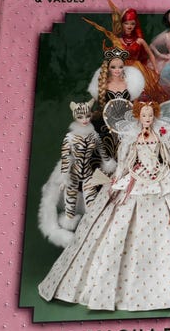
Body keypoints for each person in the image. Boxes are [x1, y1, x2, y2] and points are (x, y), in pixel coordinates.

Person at [38, 100, 170, 311]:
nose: (147, 119)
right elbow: (124, 161)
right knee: (118, 225)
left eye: (150, 115)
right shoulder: (131, 138)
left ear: (154, 116)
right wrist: (117, 178)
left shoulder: (163, 136)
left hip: (161, 178)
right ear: (138, 116)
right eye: (144, 115)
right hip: (136, 179)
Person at [37, 99, 116, 249]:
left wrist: (108, 164)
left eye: (87, 116)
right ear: (75, 117)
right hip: (73, 175)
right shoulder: (70, 138)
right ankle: (71, 234)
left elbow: (103, 153)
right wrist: (63, 178)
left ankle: (94, 234)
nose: (85, 120)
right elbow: (66, 158)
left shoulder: (94, 135)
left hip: (88, 174)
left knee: (92, 204)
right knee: (70, 207)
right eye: (80, 117)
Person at [83, 0, 168, 102]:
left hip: (138, 68)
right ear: (122, 24)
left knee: (142, 92)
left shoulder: (140, 41)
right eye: (126, 23)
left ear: (135, 25)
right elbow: (113, 59)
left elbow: (151, 55)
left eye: (132, 23)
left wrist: (156, 70)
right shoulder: (118, 41)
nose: (129, 26)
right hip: (122, 68)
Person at [87, 46, 145, 158]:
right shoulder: (103, 85)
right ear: (108, 68)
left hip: (127, 122)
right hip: (106, 123)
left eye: (120, 67)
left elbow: (135, 106)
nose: (117, 70)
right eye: (113, 67)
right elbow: (97, 106)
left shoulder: (131, 84)